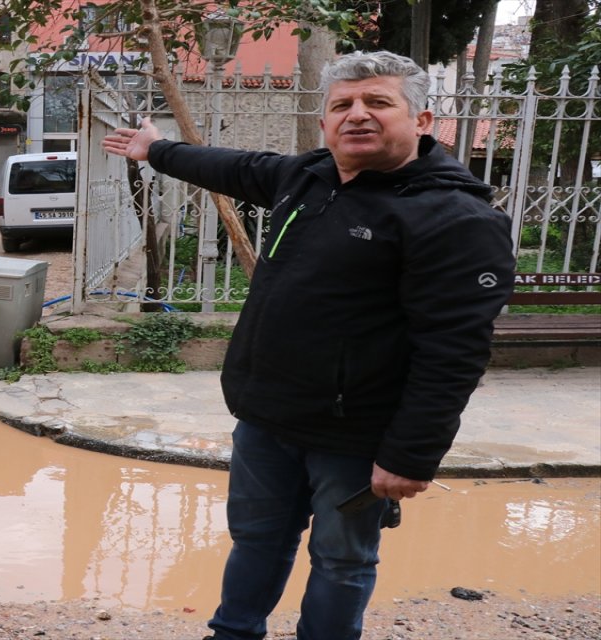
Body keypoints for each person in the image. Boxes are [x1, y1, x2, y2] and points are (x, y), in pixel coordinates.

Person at [102, 50, 514, 639]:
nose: (357, 115)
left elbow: (453, 351)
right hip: (267, 417)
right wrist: (156, 149)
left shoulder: (454, 218)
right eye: (342, 104)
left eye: (378, 102)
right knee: (257, 540)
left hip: (355, 435)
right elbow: (235, 167)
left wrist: (411, 454)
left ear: (422, 122)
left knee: (342, 562)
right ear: (324, 122)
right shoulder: (308, 176)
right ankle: (233, 633)